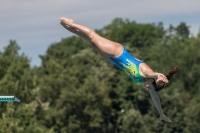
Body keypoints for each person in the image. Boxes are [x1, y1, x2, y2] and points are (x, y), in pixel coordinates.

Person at [59, 17, 179, 122]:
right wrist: (158, 75)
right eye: (150, 86)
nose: (148, 88)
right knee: (93, 37)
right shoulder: (145, 71)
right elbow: (152, 73)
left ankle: (68, 27)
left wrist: (161, 113)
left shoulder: (145, 82)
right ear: (152, 80)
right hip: (117, 52)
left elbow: (155, 98)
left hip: (112, 60)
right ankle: (72, 23)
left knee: (92, 43)